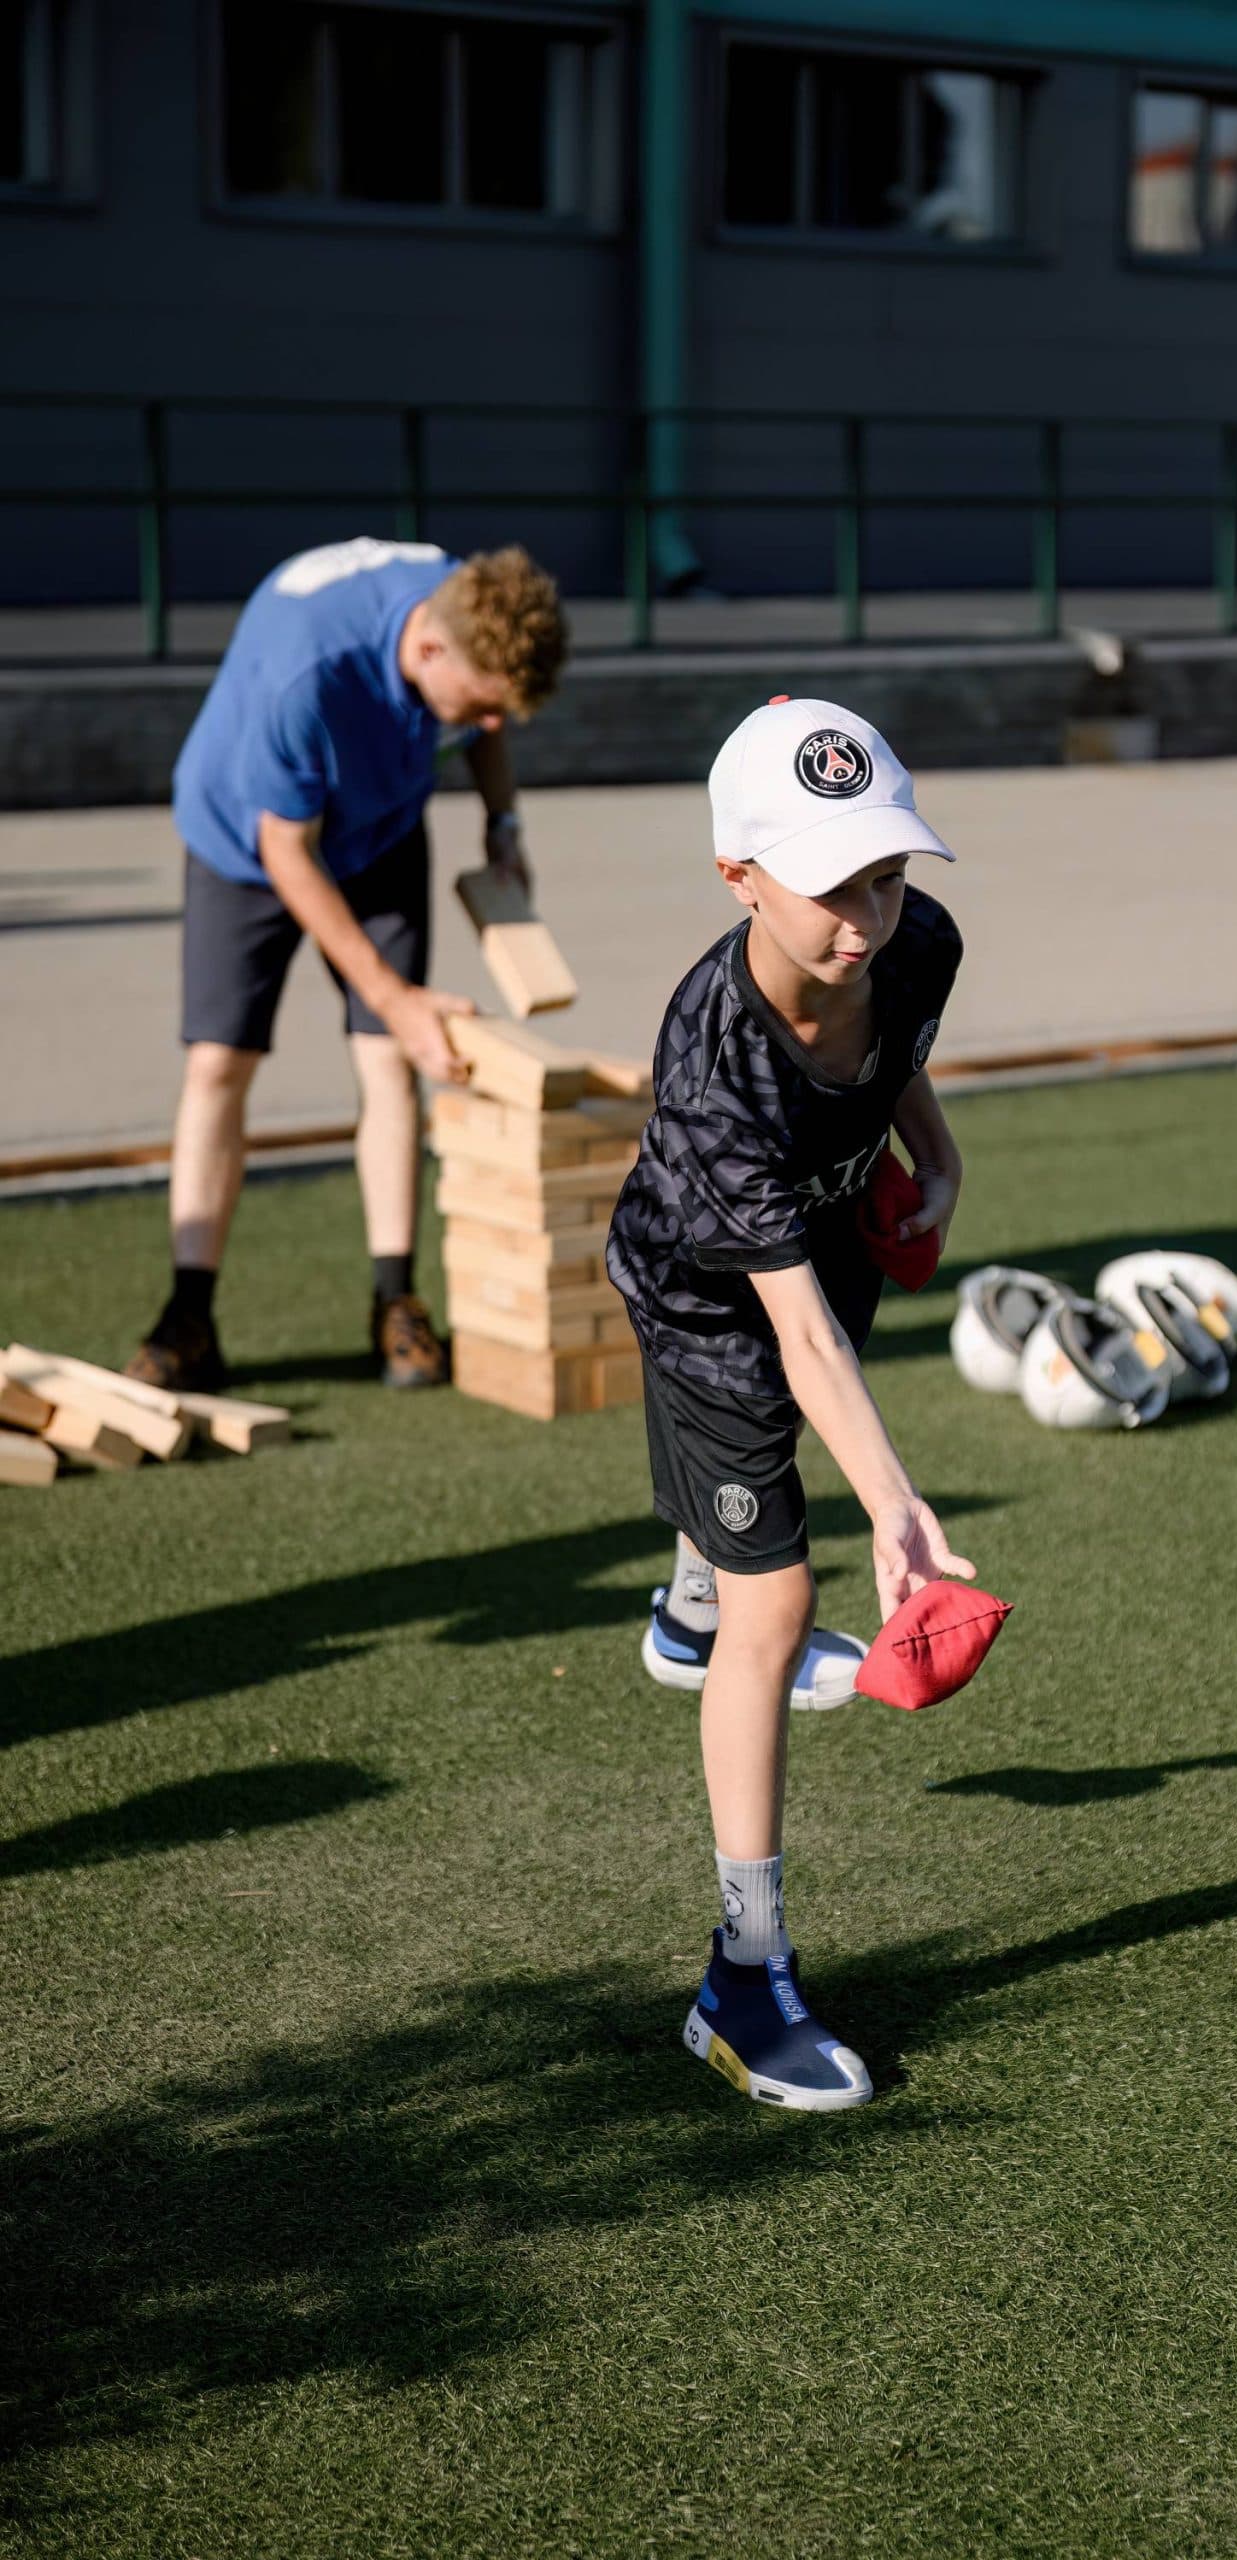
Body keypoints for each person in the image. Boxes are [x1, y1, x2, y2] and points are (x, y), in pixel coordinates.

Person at [606, 696, 971, 2110]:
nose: (867, 921)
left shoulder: (921, 939)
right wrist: (899, 1509)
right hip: (708, 1298)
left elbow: (900, 1049)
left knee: (736, 1559)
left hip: (827, 1239)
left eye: (886, 874)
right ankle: (740, 1979)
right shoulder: (710, 1070)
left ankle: (688, 1605)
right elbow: (801, 1349)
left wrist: (934, 1153)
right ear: (738, 878)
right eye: (832, 890)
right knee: (777, 1593)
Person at [127, 537, 567, 1394]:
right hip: (248, 844)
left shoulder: (465, 605)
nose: (485, 727)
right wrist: (395, 994)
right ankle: (188, 1314)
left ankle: (395, 1302)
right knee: (220, 1063)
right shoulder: (307, 677)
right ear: (428, 649)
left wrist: (502, 824)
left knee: (389, 1062)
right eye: (475, 707)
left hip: (381, 830)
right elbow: (287, 853)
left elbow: (487, 720)